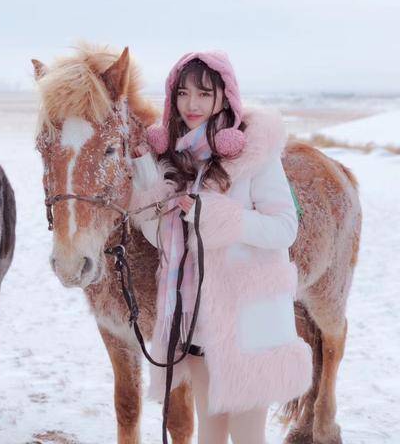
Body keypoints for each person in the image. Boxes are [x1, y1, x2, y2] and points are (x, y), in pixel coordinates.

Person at [130, 51, 312, 444]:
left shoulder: (254, 156)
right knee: (209, 437)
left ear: (224, 98)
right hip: (195, 321)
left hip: (249, 324)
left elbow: (284, 228)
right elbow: (166, 241)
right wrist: (152, 211)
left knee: (248, 438)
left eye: (203, 93)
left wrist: (222, 220)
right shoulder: (176, 160)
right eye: (182, 93)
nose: (191, 104)